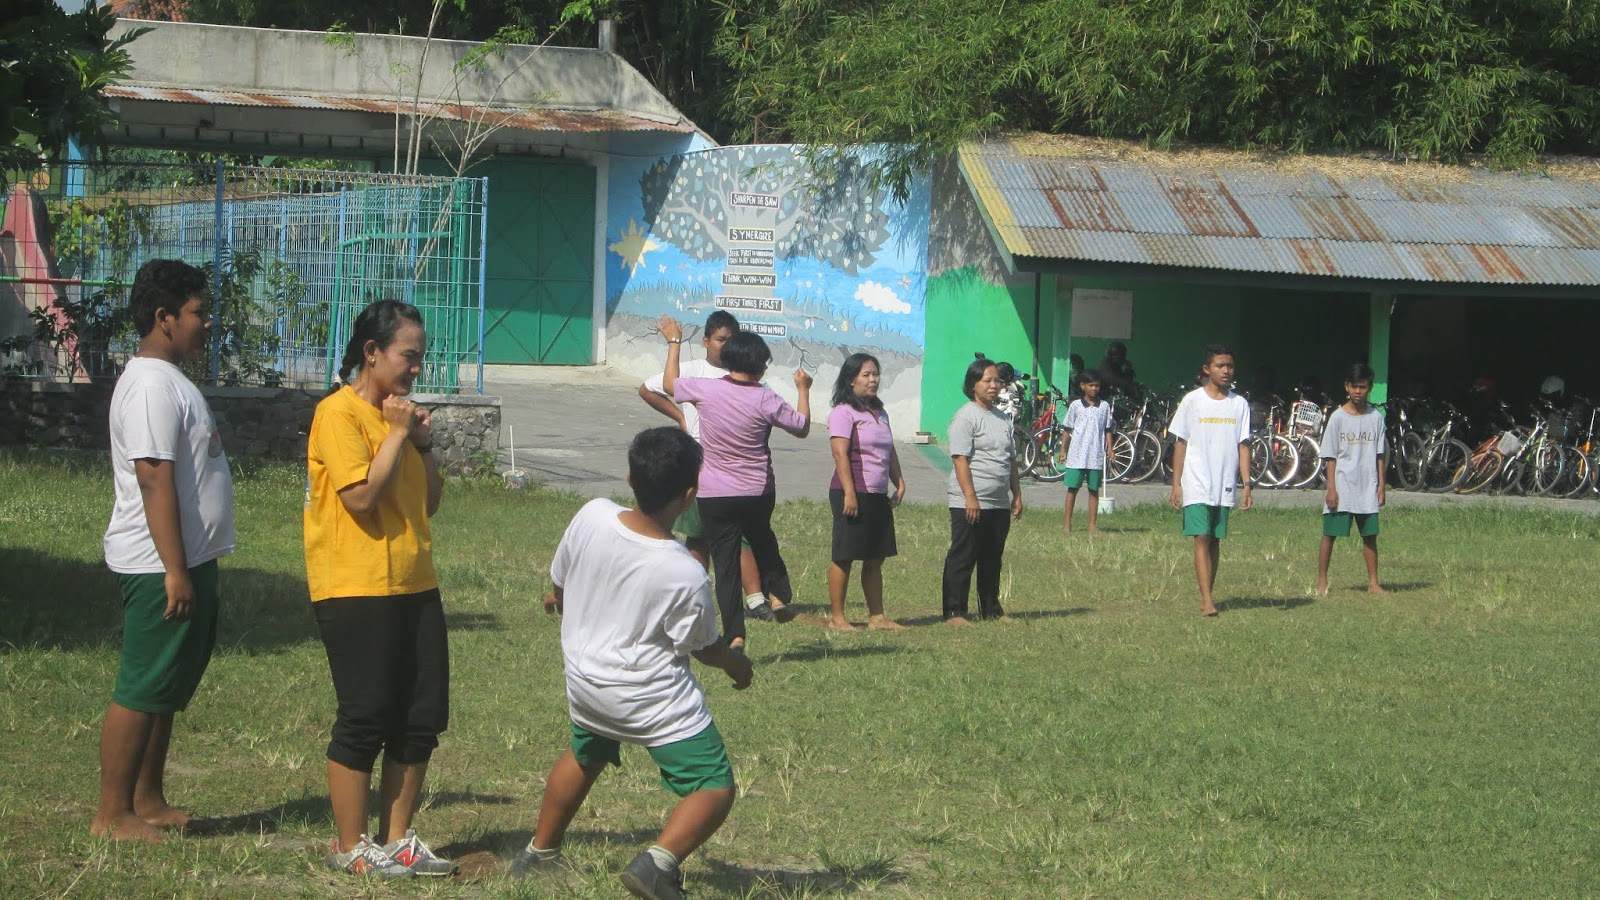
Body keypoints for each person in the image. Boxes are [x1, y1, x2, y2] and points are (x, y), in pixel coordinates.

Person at [510, 427, 754, 900]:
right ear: (689, 496)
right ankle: (656, 865)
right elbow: (703, 648)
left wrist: (559, 600)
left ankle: (540, 851)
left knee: (586, 752)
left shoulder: (592, 515)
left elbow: (561, 581)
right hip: (649, 700)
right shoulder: (684, 570)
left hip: (587, 684)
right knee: (713, 784)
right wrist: (736, 665)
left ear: (629, 477)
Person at [304, 300, 454, 879]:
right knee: (366, 714)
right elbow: (362, 499)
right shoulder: (337, 414)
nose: (416, 368)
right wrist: (395, 433)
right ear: (372, 353)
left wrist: (422, 444)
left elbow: (429, 503)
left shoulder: (403, 424)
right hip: (355, 586)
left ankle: (396, 841)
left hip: (415, 582)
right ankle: (350, 845)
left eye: (420, 358)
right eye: (407, 356)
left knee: (421, 716)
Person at [93, 259, 234, 844]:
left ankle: (147, 799)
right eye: (199, 312)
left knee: (164, 684)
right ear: (164, 318)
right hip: (158, 565)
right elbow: (153, 478)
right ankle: (112, 814)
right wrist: (174, 569)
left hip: (183, 561)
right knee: (142, 685)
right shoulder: (151, 386)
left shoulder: (168, 379)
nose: (208, 323)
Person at [661, 319, 812, 649]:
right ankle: (778, 594)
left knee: (726, 565)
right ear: (759, 366)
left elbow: (669, 384)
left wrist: (674, 343)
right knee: (762, 538)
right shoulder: (765, 397)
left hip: (715, 494)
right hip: (757, 491)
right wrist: (803, 389)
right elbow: (801, 427)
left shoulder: (707, 389)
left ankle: (735, 634)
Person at [640, 311, 773, 623]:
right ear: (705, 341)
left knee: (742, 535)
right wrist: (680, 416)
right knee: (699, 534)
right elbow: (649, 388)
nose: (725, 347)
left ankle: (756, 599)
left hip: (738, 467)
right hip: (701, 461)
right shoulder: (693, 371)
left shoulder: (747, 375)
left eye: (731, 340)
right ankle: (694, 595)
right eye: (720, 340)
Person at [825, 353, 909, 632]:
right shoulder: (843, 412)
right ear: (851, 380)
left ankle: (877, 617)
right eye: (866, 375)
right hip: (851, 492)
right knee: (845, 555)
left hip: (876, 494)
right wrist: (849, 494)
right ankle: (838, 618)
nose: (873, 380)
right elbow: (840, 453)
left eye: (876, 374)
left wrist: (899, 481)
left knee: (875, 556)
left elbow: (889, 449)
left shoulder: (880, 413)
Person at [1168, 344, 1253, 617]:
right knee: (1201, 536)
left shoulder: (1239, 404)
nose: (1226, 370)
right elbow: (1181, 443)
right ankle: (1206, 600)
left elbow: (1244, 445)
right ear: (1207, 369)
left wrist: (1247, 484)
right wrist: (1176, 484)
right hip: (1196, 479)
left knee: (1215, 539)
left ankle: (1208, 593)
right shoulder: (1192, 401)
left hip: (1224, 481)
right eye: (1220, 365)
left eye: (1230, 366)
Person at [942, 358, 1023, 625]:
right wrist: (970, 497)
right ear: (973, 384)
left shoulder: (1003, 419)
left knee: (992, 557)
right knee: (964, 555)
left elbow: (1010, 460)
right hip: (970, 501)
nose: (993, 385)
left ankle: (991, 609)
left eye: (997, 380)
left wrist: (1017, 495)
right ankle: (955, 611)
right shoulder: (965, 417)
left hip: (998, 502)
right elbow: (960, 459)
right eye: (987, 380)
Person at [1316, 364, 1387, 595]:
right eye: (1354, 386)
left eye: (1362, 387)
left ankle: (1373, 583)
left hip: (1367, 485)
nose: (1358, 391)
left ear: (1370, 388)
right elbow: (1330, 456)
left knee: (1370, 536)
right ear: (1347, 387)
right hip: (1343, 485)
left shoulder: (1375, 418)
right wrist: (1331, 488)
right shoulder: (1337, 418)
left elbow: (1380, 455)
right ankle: (1322, 581)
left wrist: (1381, 485)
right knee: (1330, 534)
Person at [1059, 369, 1114, 534]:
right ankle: (1067, 524)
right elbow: (1067, 429)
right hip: (1076, 455)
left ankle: (1092, 525)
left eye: (1097, 386)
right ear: (1083, 386)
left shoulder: (1104, 406)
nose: (1094, 389)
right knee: (1072, 489)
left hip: (1095, 455)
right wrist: (1062, 449)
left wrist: (1110, 448)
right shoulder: (1075, 406)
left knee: (1093, 490)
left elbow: (1108, 429)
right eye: (1091, 385)